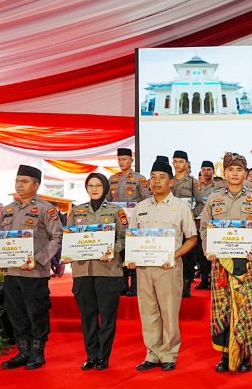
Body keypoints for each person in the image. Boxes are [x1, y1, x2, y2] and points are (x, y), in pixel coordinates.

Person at [200, 152, 252, 374]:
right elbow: (204, 228)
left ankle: (245, 355)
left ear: (245, 173)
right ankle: (225, 355)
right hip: (221, 263)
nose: (234, 174)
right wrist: (208, 249)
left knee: (247, 309)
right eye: (231, 169)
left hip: (247, 263)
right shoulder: (214, 199)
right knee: (223, 309)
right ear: (225, 172)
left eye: (239, 170)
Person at [129, 159, 197, 371]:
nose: (156, 181)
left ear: (170, 182)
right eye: (153, 177)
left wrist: (174, 256)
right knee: (148, 311)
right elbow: (132, 236)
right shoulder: (140, 207)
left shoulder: (180, 207)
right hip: (144, 269)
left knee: (169, 311)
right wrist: (131, 256)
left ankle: (169, 353)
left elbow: (192, 238)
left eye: (162, 177)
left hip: (169, 268)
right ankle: (152, 353)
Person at [0, 165, 63, 370]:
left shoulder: (46, 209)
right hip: (11, 272)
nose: (19, 185)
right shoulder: (8, 209)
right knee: (15, 312)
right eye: (17, 181)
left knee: (37, 311)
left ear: (36, 185)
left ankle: (37, 353)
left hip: (34, 273)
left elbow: (58, 237)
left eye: (24, 181)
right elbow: (1, 239)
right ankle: (23, 352)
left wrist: (40, 259)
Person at [67, 173, 128, 370]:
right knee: (87, 315)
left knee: (107, 315)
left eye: (98, 185)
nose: (94, 189)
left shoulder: (116, 211)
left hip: (108, 270)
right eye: (90, 185)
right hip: (83, 270)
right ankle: (91, 355)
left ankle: (103, 356)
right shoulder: (76, 212)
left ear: (105, 188)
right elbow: (69, 238)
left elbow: (125, 238)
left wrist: (113, 250)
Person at [107, 148, 149, 297]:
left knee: (134, 253)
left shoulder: (140, 179)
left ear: (131, 161)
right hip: (118, 223)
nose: (121, 162)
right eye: (119, 160)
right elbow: (108, 201)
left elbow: (146, 200)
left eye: (125, 159)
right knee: (120, 254)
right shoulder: (112, 178)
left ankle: (136, 286)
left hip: (134, 223)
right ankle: (123, 284)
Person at [171, 150, 203, 298]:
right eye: (175, 161)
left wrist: (191, 216)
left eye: (181, 161)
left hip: (186, 225)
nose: (178, 164)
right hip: (170, 225)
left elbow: (200, 203)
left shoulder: (192, 182)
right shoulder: (168, 181)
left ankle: (186, 284)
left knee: (188, 255)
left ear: (187, 164)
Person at [194, 160, 225, 290]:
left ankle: (213, 278)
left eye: (209, 169)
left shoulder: (218, 186)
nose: (206, 172)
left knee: (212, 250)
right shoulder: (195, 185)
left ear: (213, 171)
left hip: (212, 222)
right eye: (204, 169)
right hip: (197, 220)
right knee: (200, 252)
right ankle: (203, 278)